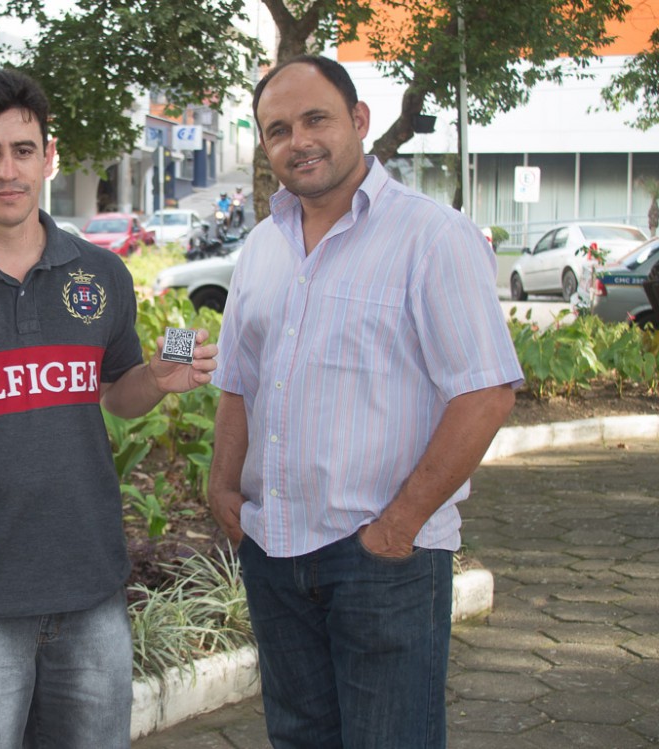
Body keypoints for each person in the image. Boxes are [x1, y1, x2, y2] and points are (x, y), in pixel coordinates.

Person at [0, 68, 217, 749]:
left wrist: (155, 377)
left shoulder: (99, 274)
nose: (7, 170)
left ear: (48, 158)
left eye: (23, 150)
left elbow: (116, 395)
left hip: (91, 598)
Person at [208, 55, 523, 749]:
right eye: (278, 130)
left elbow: (485, 393)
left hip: (382, 559)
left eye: (315, 119)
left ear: (358, 120)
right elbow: (239, 379)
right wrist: (223, 485)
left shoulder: (432, 236)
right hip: (274, 551)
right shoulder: (261, 247)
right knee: (299, 739)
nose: (299, 141)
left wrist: (398, 526)